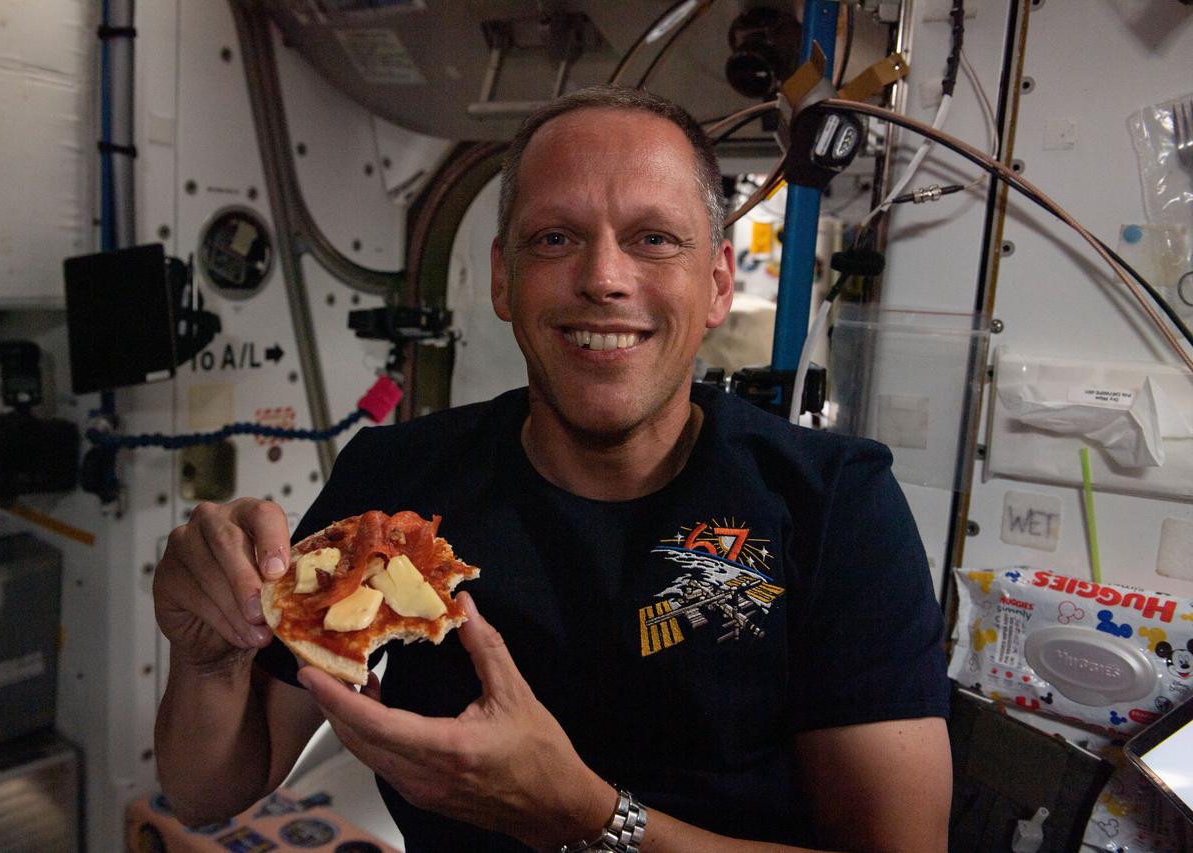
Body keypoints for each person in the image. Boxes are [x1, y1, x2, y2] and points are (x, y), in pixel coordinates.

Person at [153, 85, 952, 852]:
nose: (603, 278)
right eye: (555, 238)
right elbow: (215, 788)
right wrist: (210, 658)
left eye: (654, 238)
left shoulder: (837, 504)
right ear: (503, 278)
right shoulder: (395, 486)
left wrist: (580, 816)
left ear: (716, 284)